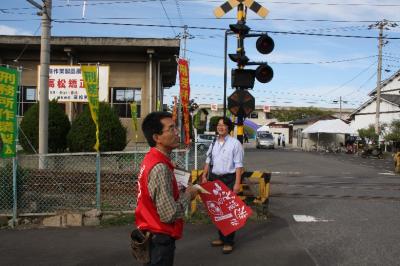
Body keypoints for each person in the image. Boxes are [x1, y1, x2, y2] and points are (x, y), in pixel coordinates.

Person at [135, 111, 198, 266]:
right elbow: (169, 214)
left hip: (148, 230)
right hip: (160, 237)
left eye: (175, 127)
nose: (177, 132)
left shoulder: (151, 158)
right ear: (157, 138)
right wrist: (189, 195)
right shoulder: (160, 167)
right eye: (171, 129)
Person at [200, 116, 244, 254]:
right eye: (219, 125)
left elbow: (238, 165)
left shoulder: (235, 144)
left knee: (228, 212)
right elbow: (208, 160)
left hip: (229, 179)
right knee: (218, 211)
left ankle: (229, 241)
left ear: (228, 128)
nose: (220, 127)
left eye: (224, 125)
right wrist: (204, 174)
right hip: (214, 180)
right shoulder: (213, 142)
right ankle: (221, 237)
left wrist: (237, 183)